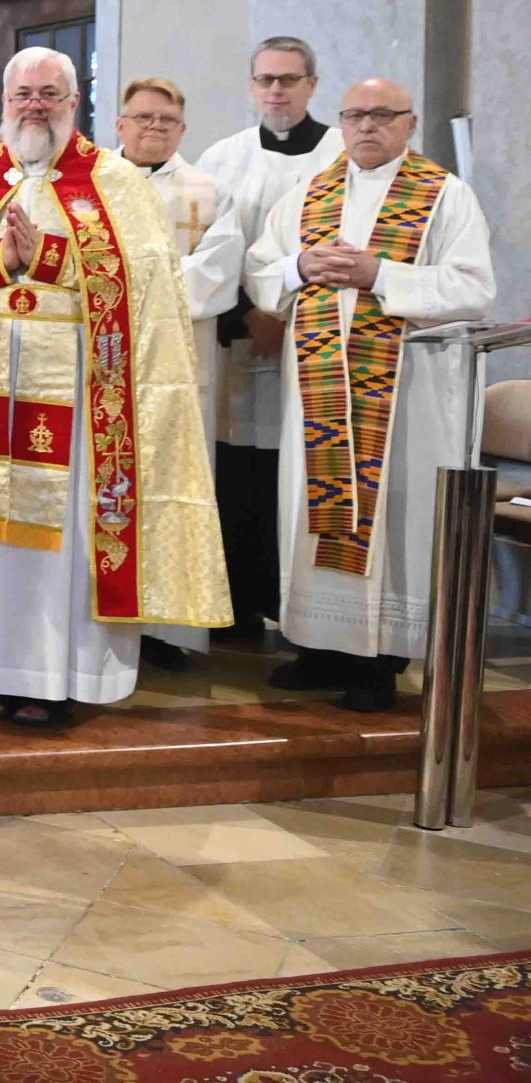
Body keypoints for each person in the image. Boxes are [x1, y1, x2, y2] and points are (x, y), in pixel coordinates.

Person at [0, 47, 228, 729]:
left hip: (80, 402)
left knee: (62, 546)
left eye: (49, 94)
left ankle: (57, 677)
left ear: (74, 103)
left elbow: (145, 283)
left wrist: (49, 259)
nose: (34, 107)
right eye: (22, 95)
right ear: (3, 100)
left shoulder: (114, 183)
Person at [247, 78, 493, 712]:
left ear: (409, 125)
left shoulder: (443, 197)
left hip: (405, 397)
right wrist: (300, 267)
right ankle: (317, 648)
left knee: (393, 521)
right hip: (320, 390)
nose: (367, 126)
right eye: (355, 115)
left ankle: (379, 662)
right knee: (315, 512)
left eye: (382, 115)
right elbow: (260, 270)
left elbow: (473, 289)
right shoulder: (309, 193)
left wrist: (379, 273)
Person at [195, 38, 342, 647]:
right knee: (237, 471)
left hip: (315, 345)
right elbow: (208, 250)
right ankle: (238, 607)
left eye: (288, 80)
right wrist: (246, 318)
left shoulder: (343, 155)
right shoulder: (221, 157)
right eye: (265, 80)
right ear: (251, 85)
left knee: (303, 472)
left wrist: (287, 320)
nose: (276, 92)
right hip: (235, 339)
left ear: (312, 84)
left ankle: (306, 614)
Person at [112, 77, 233, 671]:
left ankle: (167, 630)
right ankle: (107, 618)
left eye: (166, 120)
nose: (154, 128)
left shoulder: (208, 192)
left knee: (171, 491)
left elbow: (219, 271)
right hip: (104, 365)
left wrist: (133, 289)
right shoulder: (89, 186)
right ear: (120, 125)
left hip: (181, 370)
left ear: (182, 129)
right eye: (142, 118)